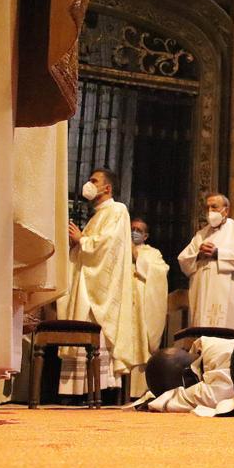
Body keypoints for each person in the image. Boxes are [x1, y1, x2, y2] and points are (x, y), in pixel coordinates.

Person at [58, 168, 145, 398]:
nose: (88, 184)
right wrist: (77, 244)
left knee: (95, 333)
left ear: (107, 188)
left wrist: (82, 241)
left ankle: (97, 391)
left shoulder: (117, 210)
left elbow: (109, 245)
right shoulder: (97, 215)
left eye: (94, 181)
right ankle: (79, 392)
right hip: (86, 284)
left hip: (100, 289)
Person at [178, 193, 234, 331]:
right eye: (207, 208)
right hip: (202, 292)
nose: (210, 211)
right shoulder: (201, 235)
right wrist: (198, 256)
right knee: (201, 333)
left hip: (226, 293)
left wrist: (218, 254)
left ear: (226, 210)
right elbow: (183, 260)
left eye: (214, 207)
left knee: (224, 333)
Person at [133, 336, 234, 416]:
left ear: (187, 378)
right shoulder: (202, 357)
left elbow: (215, 395)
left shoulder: (220, 353)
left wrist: (164, 401)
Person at [128, 218, 169, 397]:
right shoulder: (118, 248)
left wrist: (137, 257)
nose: (134, 232)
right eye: (132, 229)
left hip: (141, 307)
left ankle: (137, 392)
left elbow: (160, 272)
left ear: (146, 235)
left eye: (138, 230)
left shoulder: (153, 253)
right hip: (121, 304)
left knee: (139, 343)